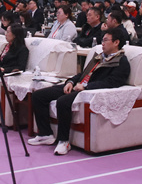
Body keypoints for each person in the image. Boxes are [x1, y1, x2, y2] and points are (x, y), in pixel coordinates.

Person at [29, 27, 130, 156]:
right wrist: (70, 82)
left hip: (89, 91)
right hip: (78, 86)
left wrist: (86, 87)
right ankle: (45, 134)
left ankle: (64, 141)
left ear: (116, 42)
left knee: (63, 102)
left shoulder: (121, 62)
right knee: (38, 95)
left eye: (105, 40)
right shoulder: (99, 57)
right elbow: (83, 74)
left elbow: (112, 83)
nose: (102, 43)